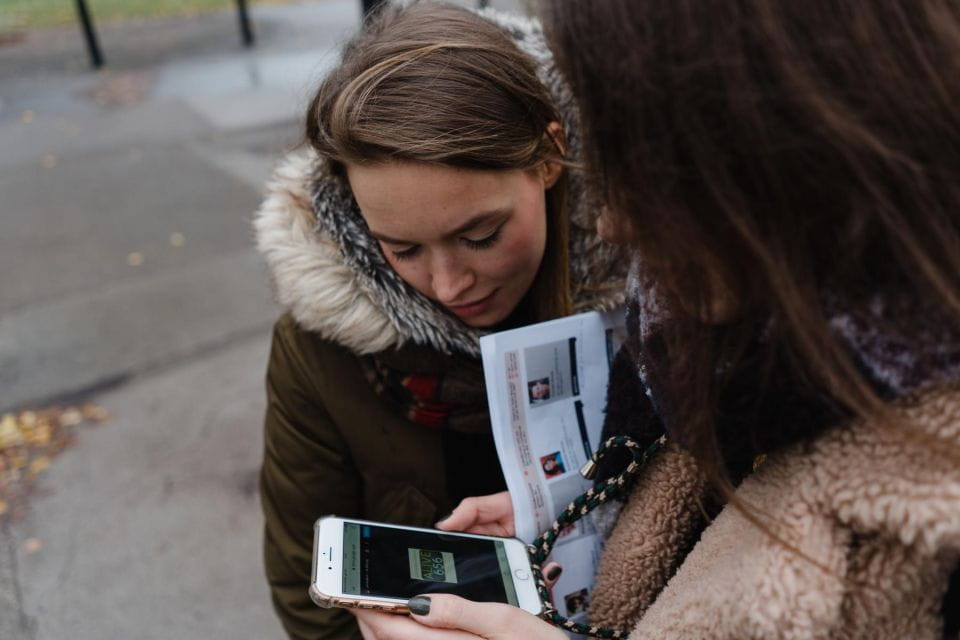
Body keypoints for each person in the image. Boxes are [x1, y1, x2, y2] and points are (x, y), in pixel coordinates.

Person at [390, 0, 960, 638]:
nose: (612, 223)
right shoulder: (684, 336)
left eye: (654, 178)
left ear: (793, 159)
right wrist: (574, 516)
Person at [252, 2, 627, 638]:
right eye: (401, 249)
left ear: (548, 155)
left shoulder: (665, 286)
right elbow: (305, 590)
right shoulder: (319, 351)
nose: (449, 285)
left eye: (481, 235)